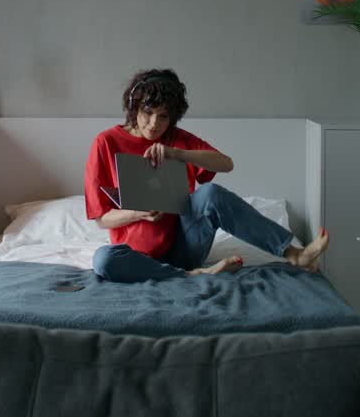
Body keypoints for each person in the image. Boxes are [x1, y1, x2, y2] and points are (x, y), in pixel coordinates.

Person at [85, 68, 330, 282]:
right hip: (134, 256)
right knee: (104, 260)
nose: (154, 124)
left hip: (183, 248)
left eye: (163, 116)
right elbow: (101, 218)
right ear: (134, 106)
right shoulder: (105, 142)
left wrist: (177, 154)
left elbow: (226, 164)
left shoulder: (174, 138)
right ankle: (191, 276)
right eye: (148, 112)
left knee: (210, 193)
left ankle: (296, 255)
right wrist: (138, 212)